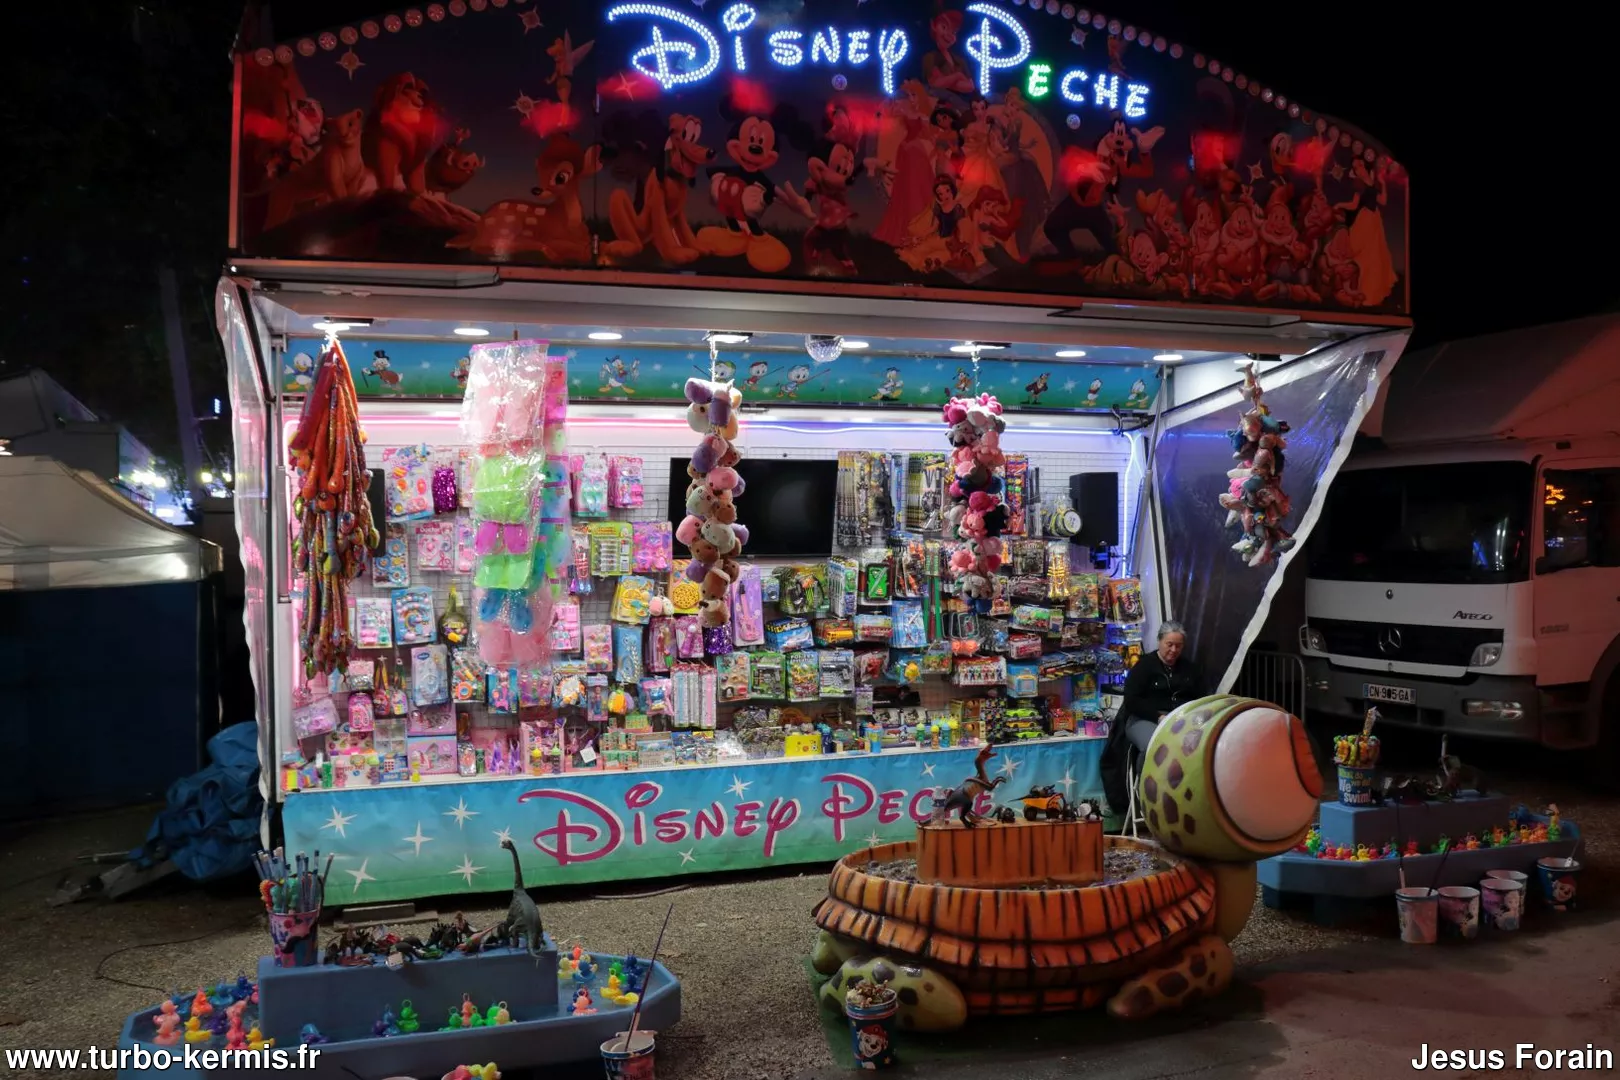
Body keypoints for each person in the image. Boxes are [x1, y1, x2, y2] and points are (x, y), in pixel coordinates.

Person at [1099, 621, 1206, 817]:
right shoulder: (1144, 667)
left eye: (1178, 646)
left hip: (1179, 721)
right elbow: (1132, 700)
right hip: (1144, 719)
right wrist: (1158, 716)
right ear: (1159, 641)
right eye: (1169, 644)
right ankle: (1146, 795)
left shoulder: (1190, 669)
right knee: (1154, 745)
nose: (1173, 650)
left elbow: (1200, 698)